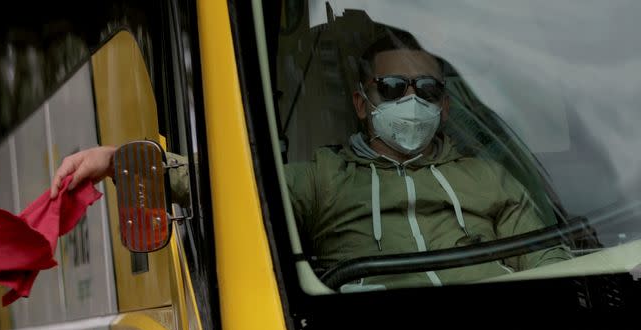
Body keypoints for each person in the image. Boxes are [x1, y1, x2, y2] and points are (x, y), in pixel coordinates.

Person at [51, 26, 570, 290]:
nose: (411, 101)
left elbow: (551, 273)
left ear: (445, 103)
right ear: (363, 103)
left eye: (426, 89)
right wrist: (120, 158)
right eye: (393, 87)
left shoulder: (490, 177)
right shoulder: (322, 179)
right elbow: (232, 186)